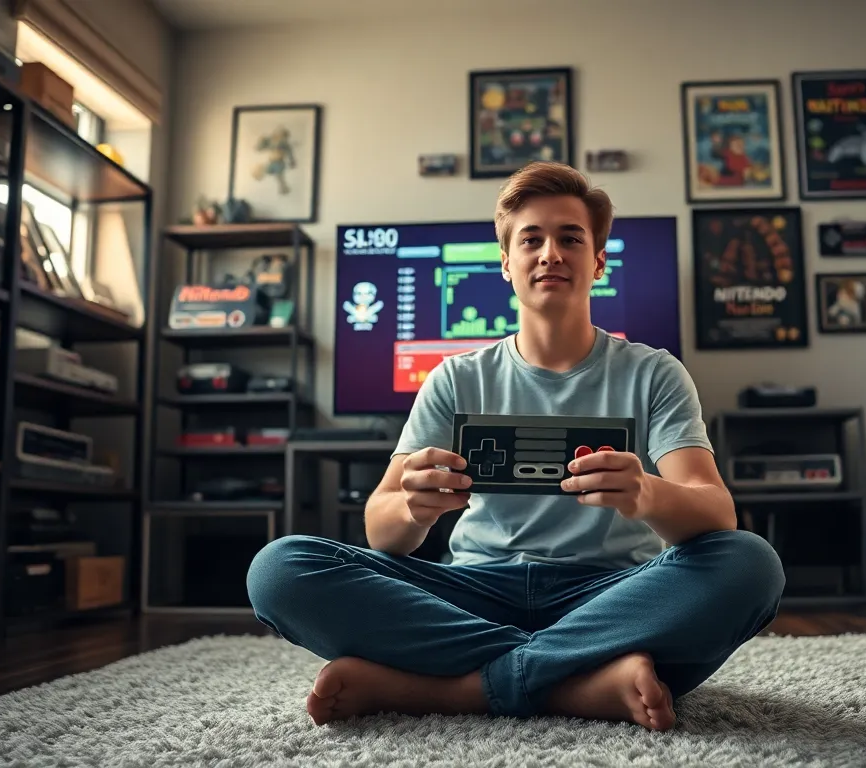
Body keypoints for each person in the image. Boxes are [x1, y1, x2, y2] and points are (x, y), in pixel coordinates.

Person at [246, 161, 785, 731]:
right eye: (531, 239)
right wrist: (413, 506)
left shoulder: (654, 373)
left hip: (611, 593)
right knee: (280, 568)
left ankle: (445, 688)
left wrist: (646, 493)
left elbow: (715, 510)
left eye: (570, 238)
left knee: (750, 563)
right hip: (472, 589)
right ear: (506, 263)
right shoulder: (454, 379)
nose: (550, 253)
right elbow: (383, 532)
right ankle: (577, 682)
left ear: (599, 261)